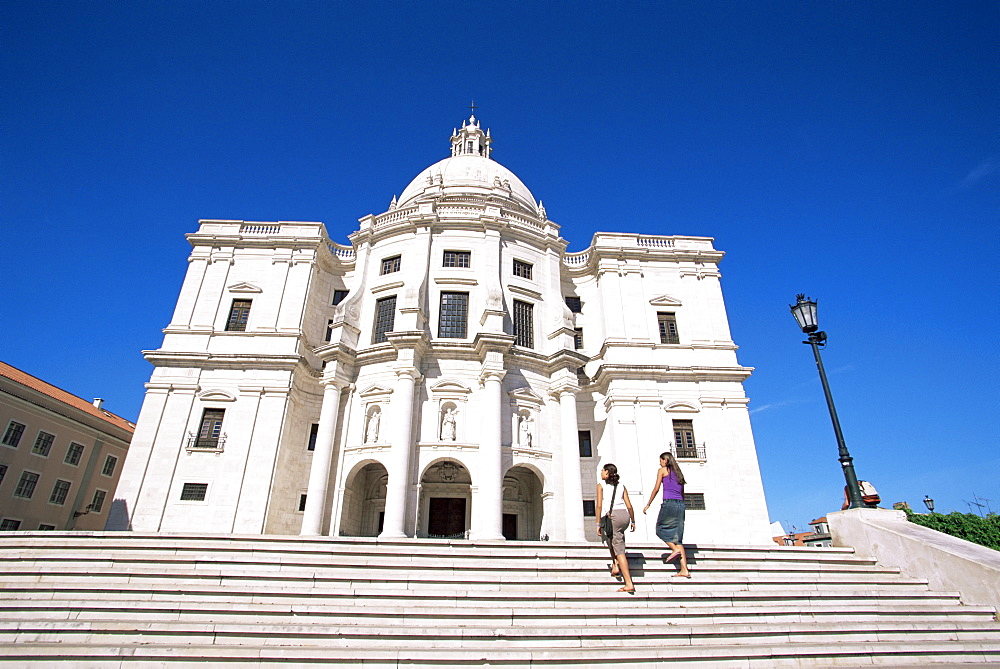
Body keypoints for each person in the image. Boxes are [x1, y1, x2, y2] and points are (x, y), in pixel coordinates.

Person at [643, 452, 690, 578]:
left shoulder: (662, 470)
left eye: (661, 460)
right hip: (680, 504)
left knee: (660, 529)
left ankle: (674, 549)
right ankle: (684, 569)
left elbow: (656, 488)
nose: (660, 462)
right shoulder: (679, 473)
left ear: (665, 460)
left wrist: (648, 503)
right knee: (677, 537)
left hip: (669, 503)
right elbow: (682, 492)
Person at [595, 463, 636, 594]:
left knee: (619, 549)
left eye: (602, 471)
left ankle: (629, 583)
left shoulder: (601, 486)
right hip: (624, 515)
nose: (601, 473)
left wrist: (597, 524)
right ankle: (615, 565)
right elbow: (629, 505)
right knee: (611, 539)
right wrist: (633, 520)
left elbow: (599, 506)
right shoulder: (621, 486)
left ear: (607, 473)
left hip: (612, 516)